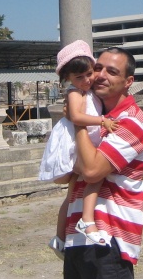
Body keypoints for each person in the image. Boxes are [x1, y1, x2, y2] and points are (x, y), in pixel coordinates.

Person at [63, 47, 143, 279]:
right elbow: (61, 172)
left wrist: (78, 121)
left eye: (112, 71)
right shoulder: (98, 116)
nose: (100, 75)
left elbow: (90, 171)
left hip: (108, 239)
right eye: (97, 67)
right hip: (78, 237)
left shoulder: (131, 120)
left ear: (129, 81)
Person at [39, 40, 119, 255]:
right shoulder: (75, 93)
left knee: (73, 192)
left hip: (83, 140)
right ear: (68, 79)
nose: (86, 80)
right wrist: (103, 121)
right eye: (79, 77)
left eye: (89, 74)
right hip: (75, 143)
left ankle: (59, 238)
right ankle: (87, 220)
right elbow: (76, 116)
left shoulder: (88, 90)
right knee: (95, 176)